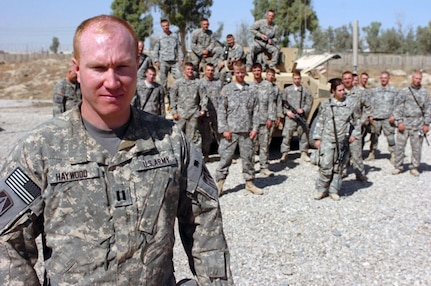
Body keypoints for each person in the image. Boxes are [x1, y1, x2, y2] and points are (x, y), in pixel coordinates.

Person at [0, 15, 233, 285]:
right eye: (98, 68)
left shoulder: (170, 141)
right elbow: (7, 245)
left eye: (122, 67)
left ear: (138, 64)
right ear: (77, 70)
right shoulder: (39, 149)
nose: (112, 82)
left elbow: (205, 222)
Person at [216, 60, 262, 196]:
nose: (240, 75)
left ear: (245, 73)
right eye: (237, 73)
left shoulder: (251, 90)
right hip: (231, 131)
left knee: (248, 158)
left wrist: (255, 129)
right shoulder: (227, 90)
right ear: (234, 73)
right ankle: (219, 184)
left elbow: (256, 111)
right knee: (225, 158)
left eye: (242, 72)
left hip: (247, 132)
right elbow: (221, 111)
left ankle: (249, 183)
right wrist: (224, 129)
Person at [312, 78, 361, 201]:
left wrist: (354, 135)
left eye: (343, 90)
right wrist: (317, 138)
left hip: (342, 141)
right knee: (325, 165)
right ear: (333, 91)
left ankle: (334, 190)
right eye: (339, 90)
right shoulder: (326, 104)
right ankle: (321, 190)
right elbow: (320, 121)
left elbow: (357, 122)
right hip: (327, 139)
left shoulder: (351, 104)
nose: (342, 92)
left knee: (339, 167)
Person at [392, 70, 431, 176]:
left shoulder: (425, 93)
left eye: (419, 79)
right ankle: (398, 166)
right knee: (400, 147)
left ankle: (414, 167)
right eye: (415, 78)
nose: (417, 80)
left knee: (416, 148)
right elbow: (397, 107)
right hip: (404, 123)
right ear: (412, 78)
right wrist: (399, 121)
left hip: (418, 124)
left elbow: (428, 109)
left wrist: (427, 124)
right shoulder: (404, 91)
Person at [169, 62, 207, 150]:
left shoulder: (198, 83)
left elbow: (203, 97)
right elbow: (172, 97)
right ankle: (179, 155)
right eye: (188, 69)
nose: (190, 71)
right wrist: (174, 111)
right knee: (178, 136)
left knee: (194, 137)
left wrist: (203, 109)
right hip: (181, 113)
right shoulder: (178, 83)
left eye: (191, 69)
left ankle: (196, 157)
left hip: (193, 113)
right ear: (184, 70)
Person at [342, 71, 371, 181]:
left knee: (356, 152)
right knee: (342, 150)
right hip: (342, 127)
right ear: (342, 80)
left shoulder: (360, 92)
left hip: (355, 127)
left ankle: (359, 173)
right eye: (345, 79)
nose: (347, 80)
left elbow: (368, 107)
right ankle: (342, 171)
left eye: (349, 78)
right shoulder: (339, 92)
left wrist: (362, 121)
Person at [279, 70, 313, 163]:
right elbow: (282, 103)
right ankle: (285, 153)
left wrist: (304, 110)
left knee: (303, 135)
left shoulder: (305, 91)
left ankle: (304, 153)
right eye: (295, 78)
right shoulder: (287, 90)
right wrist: (287, 112)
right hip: (290, 117)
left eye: (298, 78)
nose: (297, 80)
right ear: (292, 79)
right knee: (287, 135)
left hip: (301, 117)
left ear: (301, 79)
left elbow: (309, 103)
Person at [249, 63, 276, 176]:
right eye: (254, 70)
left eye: (258, 70)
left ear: (261, 71)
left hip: (264, 120)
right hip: (251, 122)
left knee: (264, 145)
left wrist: (271, 118)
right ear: (252, 72)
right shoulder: (248, 86)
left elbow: (271, 103)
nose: (257, 72)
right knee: (250, 146)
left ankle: (264, 167)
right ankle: (250, 169)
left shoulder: (268, 85)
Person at [365, 71, 397, 162]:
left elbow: (397, 104)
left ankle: (393, 154)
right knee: (374, 137)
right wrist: (370, 115)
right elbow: (371, 103)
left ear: (388, 78)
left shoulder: (394, 91)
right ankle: (372, 153)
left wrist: (394, 116)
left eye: (385, 78)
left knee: (390, 137)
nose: (383, 79)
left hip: (388, 118)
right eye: (382, 78)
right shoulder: (375, 90)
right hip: (376, 118)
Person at [199, 63, 223, 162]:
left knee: (220, 135)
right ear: (204, 71)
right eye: (208, 70)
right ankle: (206, 155)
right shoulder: (200, 83)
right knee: (206, 136)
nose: (210, 72)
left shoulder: (218, 83)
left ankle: (224, 155)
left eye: (212, 70)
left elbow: (223, 97)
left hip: (217, 113)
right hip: (205, 114)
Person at [153, 19, 184, 92]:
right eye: (163, 26)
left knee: (180, 77)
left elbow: (179, 48)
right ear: (161, 27)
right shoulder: (160, 37)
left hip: (174, 61)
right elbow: (156, 49)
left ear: (169, 25)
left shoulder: (175, 36)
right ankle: (164, 97)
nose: (166, 27)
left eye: (167, 25)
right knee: (163, 81)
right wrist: (156, 60)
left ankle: (178, 93)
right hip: (163, 61)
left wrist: (181, 58)